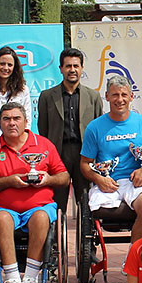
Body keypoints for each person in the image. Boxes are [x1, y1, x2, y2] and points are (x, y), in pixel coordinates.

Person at [0, 102, 70, 283]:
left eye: (16, 118)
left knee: (41, 217)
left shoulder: (43, 145)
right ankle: (12, 280)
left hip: (40, 206)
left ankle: (31, 280)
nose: (11, 123)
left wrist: (47, 179)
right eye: (6, 119)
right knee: (0, 218)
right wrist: (7, 181)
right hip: (5, 208)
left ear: (26, 121)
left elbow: (64, 177)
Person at [80, 75, 142, 242]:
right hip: (107, 184)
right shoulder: (94, 127)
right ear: (107, 96)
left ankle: (133, 260)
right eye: (115, 95)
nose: (120, 100)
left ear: (131, 96)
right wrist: (98, 178)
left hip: (137, 183)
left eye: (124, 95)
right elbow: (84, 164)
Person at [37, 47, 103, 211]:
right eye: (68, 66)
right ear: (61, 69)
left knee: (87, 200)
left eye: (76, 66)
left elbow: (99, 129)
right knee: (56, 202)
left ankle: (86, 235)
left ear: (82, 68)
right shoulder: (47, 96)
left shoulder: (93, 97)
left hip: (85, 155)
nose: (72, 70)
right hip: (58, 154)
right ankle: (56, 234)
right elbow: (43, 129)